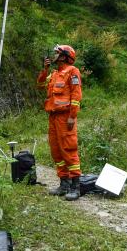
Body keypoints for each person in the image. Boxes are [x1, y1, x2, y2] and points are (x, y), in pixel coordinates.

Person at [37, 45, 83, 201]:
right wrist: (45, 69)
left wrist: (72, 116)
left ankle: (75, 187)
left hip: (65, 118)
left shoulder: (72, 71)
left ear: (64, 56)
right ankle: (64, 184)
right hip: (53, 117)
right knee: (56, 151)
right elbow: (40, 85)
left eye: (57, 53)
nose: (54, 55)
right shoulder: (54, 74)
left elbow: (76, 95)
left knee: (68, 150)